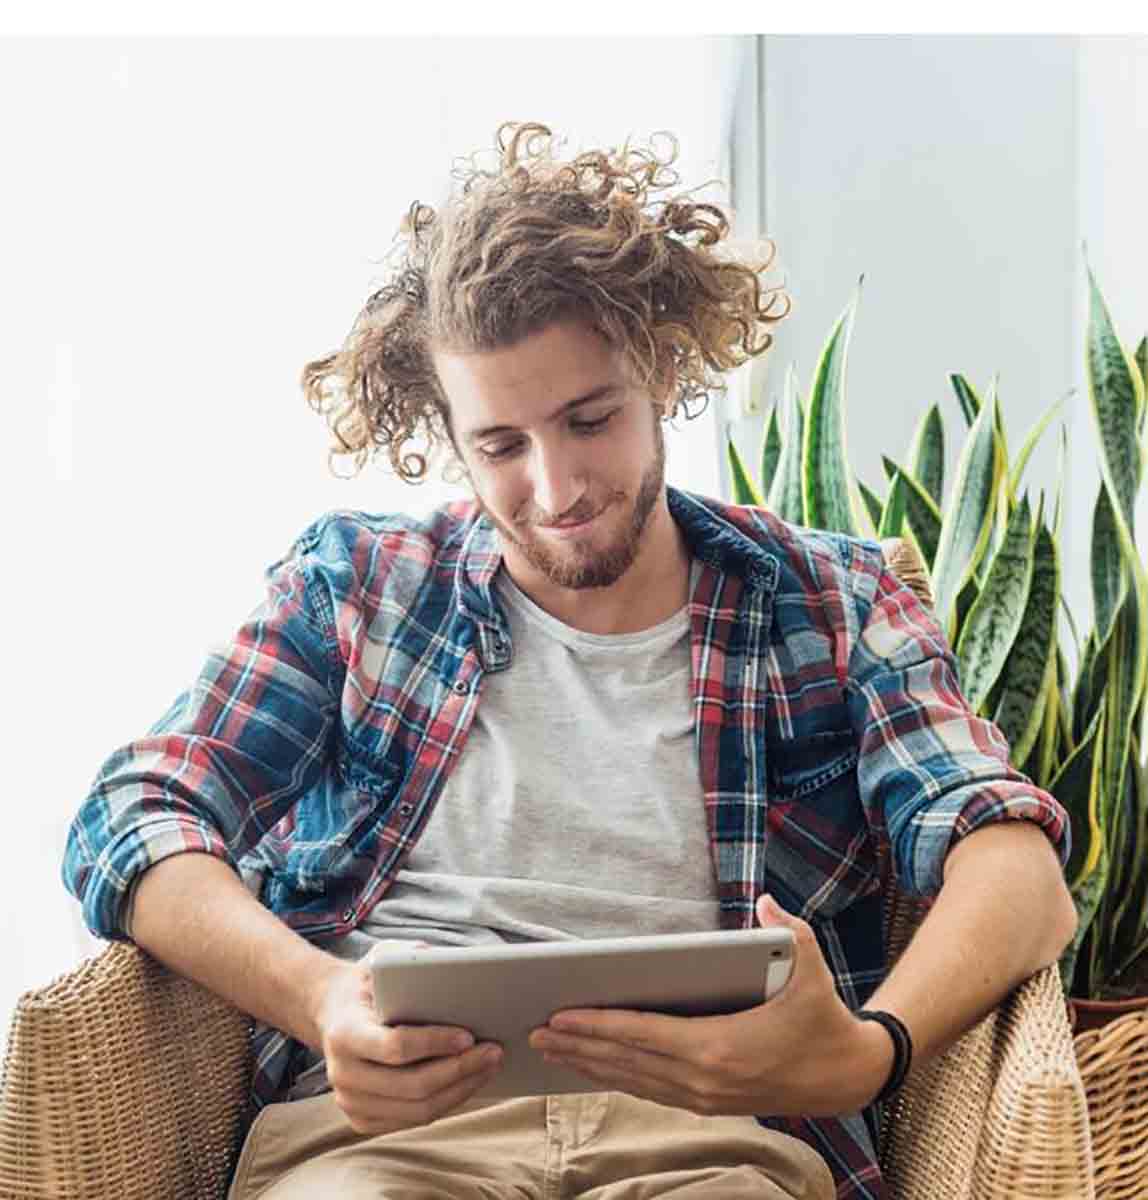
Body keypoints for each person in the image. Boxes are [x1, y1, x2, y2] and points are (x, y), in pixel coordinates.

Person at [63, 122, 1076, 1200]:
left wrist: (870, 1049)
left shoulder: (829, 602)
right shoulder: (357, 588)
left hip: (713, 1141)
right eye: (500, 446)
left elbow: (1012, 865)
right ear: (448, 435)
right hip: (381, 1144)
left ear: (664, 370)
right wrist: (318, 997)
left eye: (588, 420)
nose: (554, 491)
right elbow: (135, 812)